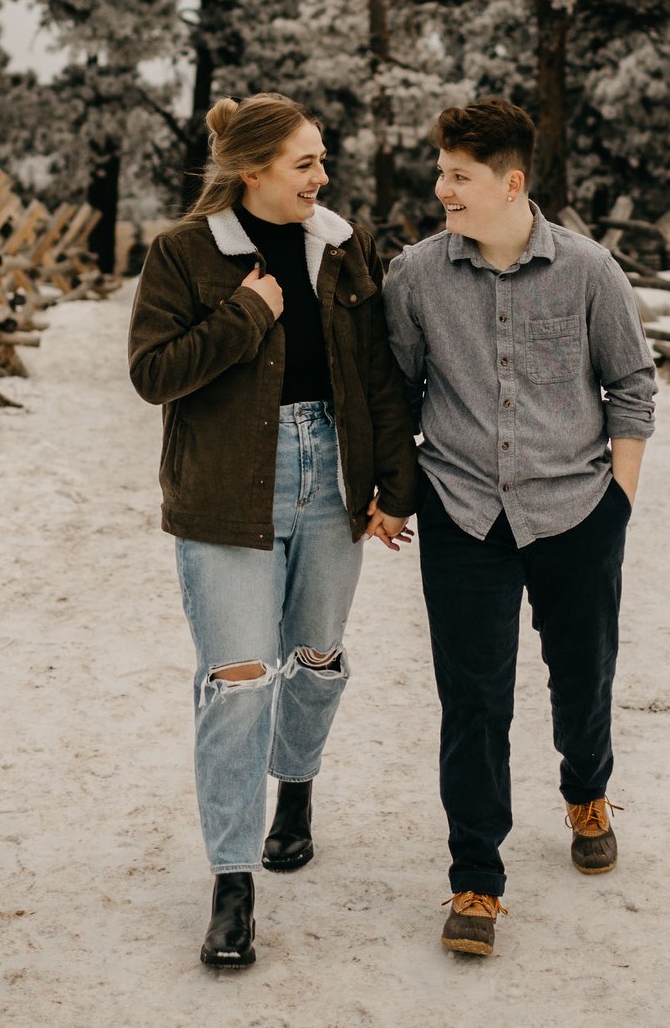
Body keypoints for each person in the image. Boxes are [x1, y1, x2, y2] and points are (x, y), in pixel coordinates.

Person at [127, 93, 420, 969]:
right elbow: (152, 374)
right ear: (252, 171)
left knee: (317, 657)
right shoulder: (181, 253)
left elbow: (377, 369)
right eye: (305, 163)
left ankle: (294, 790)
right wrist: (247, 313)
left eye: (321, 159)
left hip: (331, 472)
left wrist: (393, 486)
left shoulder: (340, 244)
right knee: (239, 679)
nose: (321, 176)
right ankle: (231, 883)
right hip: (227, 488)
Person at [383, 97, 657, 958]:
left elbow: (633, 387)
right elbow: (395, 391)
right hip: (463, 509)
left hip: (576, 510)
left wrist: (619, 503)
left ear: (510, 182)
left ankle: (587, 789)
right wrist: (394, 490)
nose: (441, 188)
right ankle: (475, 877)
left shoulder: (588, 270)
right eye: (440, 171)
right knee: (472, 698)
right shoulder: (416, 276)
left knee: (582, 676)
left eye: (458, 176)